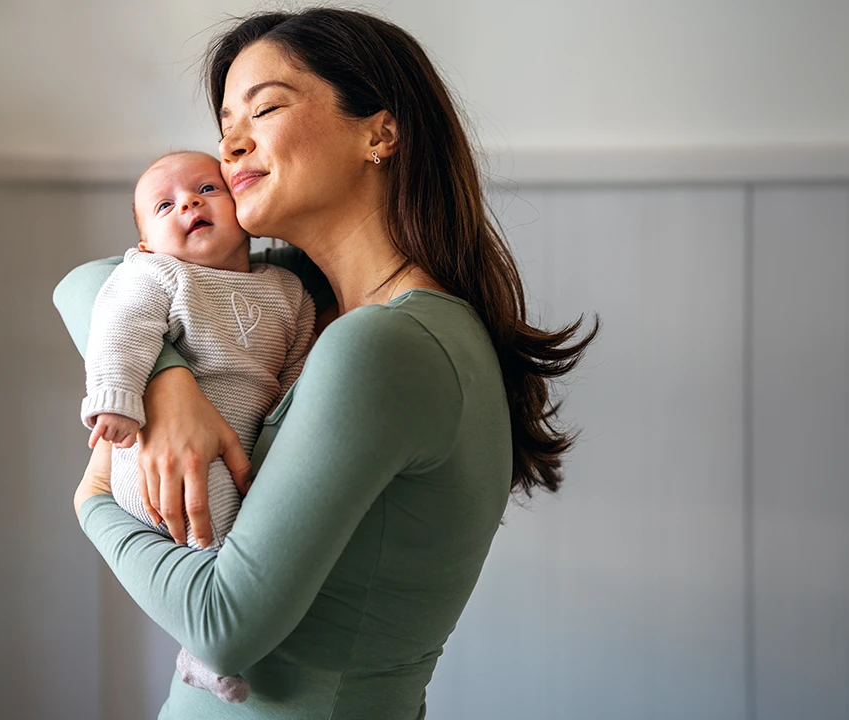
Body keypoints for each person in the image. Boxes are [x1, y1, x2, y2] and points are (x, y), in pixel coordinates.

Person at [55, 8, 598, 718]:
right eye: (225, 126)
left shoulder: (382, 342)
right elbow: (89, 284)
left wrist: (93, 499)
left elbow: (222, 627)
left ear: (380, 131)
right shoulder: (308, 296)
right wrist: (168, 383)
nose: (232, 144)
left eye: (266, 107)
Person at [81, 149, 315, 702]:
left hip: (234, 449)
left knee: (246, 531)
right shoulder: (156, 273)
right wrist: (115, 399)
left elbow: (299, 366)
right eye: (165, 205)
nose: (188, 202)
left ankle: (204, 642)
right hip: (153, 457)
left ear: (242, 208)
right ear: (144, 244)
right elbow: (119, 325)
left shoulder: (288, 290)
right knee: (219, 535)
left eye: (207, 190)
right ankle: (209, 644)